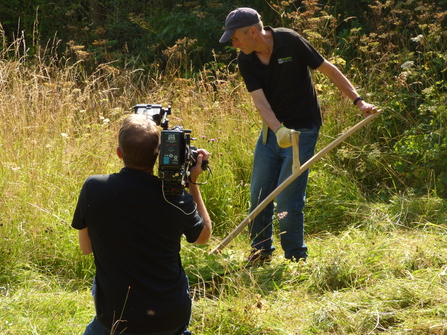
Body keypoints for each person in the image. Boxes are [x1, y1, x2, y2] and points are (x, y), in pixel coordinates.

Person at [219, 7, 376, 263]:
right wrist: (278, 129)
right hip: (272, 133)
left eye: (235, 37)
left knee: (287, 199)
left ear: (252, 31)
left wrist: (359, 102)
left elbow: (328, 69)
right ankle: (260, 252)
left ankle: (295, 257)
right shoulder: (245, 59)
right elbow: (260, 102)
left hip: (303, 130)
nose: (233, 43)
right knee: (259, 195)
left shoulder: (290, 41)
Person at [72, 114, 212, 335]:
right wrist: (192, 183)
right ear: (158, 155)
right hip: (169, 319)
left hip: (116, 319)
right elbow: (203, 236)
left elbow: (86, 248)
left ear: (119, 153)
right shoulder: (175, 199)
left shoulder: (93, 188)